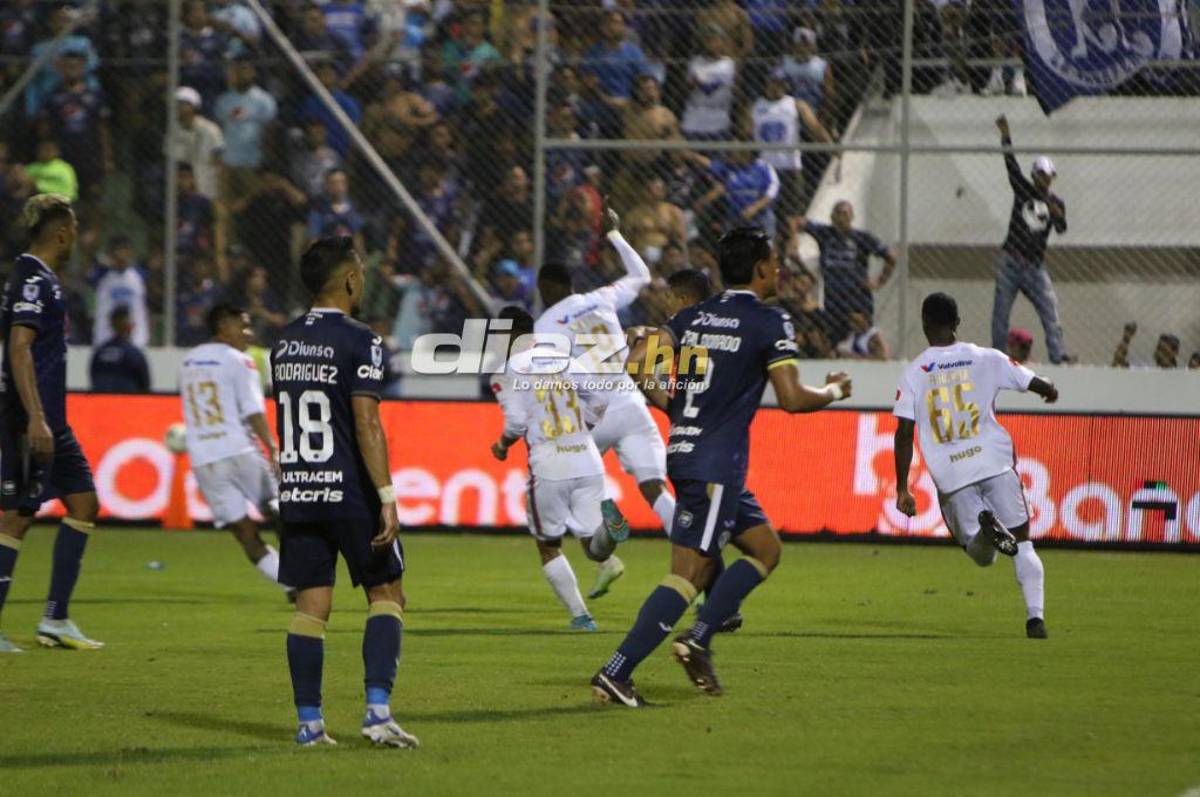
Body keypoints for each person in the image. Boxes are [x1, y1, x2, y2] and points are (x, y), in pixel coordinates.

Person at [590, 226, 853, 706]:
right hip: (715, 463)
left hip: (690, 451)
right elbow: (791, 399)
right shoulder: (769, 321)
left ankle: (699, 639)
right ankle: (618, 670)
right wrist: (835, 390)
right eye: (774, 262)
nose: (779, 269)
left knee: (764, 549)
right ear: (759, 268)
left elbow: (636, 363)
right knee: (691, 573)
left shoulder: (695, 317)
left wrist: (677, 408)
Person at [272, 236, 418, 748]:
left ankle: (309, 724)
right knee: (388, 593)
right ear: (351, 279)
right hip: (349, 490)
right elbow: (366, 421)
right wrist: (386, 495)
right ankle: (378, 713)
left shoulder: (285, 340)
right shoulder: (362, 339)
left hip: (298, 488)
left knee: (312, 604)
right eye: (361, 271)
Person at [894, 292, 1059, 639]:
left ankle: (986, 532)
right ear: (957, 324)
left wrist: (902, 488)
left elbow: (904, 432)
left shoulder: (915, 372)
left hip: (952, 476)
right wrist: (1048, 390)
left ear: (924, 324)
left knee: (982, 556)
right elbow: (1035, 383)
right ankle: (1035, 619)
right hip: (995, 464)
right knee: (1024, 543)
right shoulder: (987, 357)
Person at [535, 204, 677, 561]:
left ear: (544, 290)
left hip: (592, 418)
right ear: (570, 285)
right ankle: (699, 557)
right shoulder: (599, 298)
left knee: (571, 495)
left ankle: (603, 535)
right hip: (630, 404)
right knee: (656, 490)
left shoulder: (545, 327)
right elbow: (641, 275)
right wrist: (614, 233)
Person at [0, 194, 102, 652]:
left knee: (83, 501)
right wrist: (36, 419)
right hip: (32, 419)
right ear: (62, 232)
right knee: (18, 515)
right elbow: (19, 347)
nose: (77, 236)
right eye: (74, 228)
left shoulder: (42, 278)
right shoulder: (31, 279)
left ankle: (55, 619)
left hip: (51, 419)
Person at [489, 307, 630, 629]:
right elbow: (599, 398)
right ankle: (609, 531)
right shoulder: (566, 359)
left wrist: (501, 445)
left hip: (549, 461)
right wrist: (585, 427)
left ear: (509, 336)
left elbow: (516, 422)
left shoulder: (507, 370)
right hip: (586, 456)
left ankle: (581, 616)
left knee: (549, 545)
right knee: (595, 550)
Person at [179, 303, 290, 596]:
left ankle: (291, 584)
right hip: (239, 449)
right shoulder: (240, 361)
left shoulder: (189, 360)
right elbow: (254, 411)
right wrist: (272, 448)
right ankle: (306, 570)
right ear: (223, 327)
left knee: (244, 533)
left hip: (204, 459)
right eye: (243, 325)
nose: (249, 333)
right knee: (278, 507)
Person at [991, 115, 1071, 364]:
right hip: (1011, 262)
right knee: (1001, 314)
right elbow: (1010, 165)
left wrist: (1054, 210)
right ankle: (997, 359)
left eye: (1048, 177)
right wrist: (1005, 136)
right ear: (1034, 175)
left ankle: (1058, 356)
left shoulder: (1056, 203)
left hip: (1035, 267)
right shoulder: (1023, 190)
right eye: (1040, 175)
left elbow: (1061, 228)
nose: (1044, 180)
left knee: (1050, 311)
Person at [793, 201, 896, 345]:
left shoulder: (862, 238)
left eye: (845, 214)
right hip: (833, 299)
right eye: (838, 214)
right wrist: (793, 243)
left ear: (852, 216)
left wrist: (879, 281)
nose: (841, 218)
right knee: (834, 338)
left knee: (863, 339)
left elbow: (890, 257)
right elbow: (795, 221)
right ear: (831, 217)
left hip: (857, 297)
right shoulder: (825, 233)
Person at [751, 68, 834, 224]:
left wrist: (831, 146)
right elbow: (745, 134)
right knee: (765, 213)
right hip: (764, 168)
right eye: (773, 83)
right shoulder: (755, 106)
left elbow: (815, 127)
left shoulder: (795, 104)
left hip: (789, 166)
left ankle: (791, 244)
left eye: (780, 84)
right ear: (766, 84)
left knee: (792, 213)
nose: (776, 87)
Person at [92, 236, 150, 347]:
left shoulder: (139, 276)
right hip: (105, 337)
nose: (122, 257)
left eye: (125, 252)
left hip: (135, 339)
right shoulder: (102, 275)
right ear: (111, 255)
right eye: (118, 253)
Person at [89, 306, 150, 393]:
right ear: (129, 325)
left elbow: (93, 382)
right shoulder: (134, 354)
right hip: (127, 405)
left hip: (101, 405)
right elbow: (145, 388)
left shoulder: (99, 354)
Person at [1112, 323, 1181, 368]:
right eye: (1159, 348)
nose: (1159, 352)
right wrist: (1126, 339)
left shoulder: (1181, 373)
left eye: (1164, 351)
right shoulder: (1147, 369)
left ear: (1175, 352)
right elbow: (1117, 363)